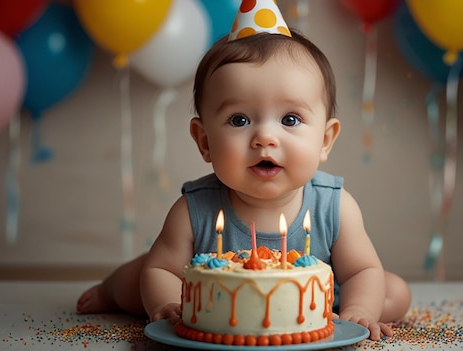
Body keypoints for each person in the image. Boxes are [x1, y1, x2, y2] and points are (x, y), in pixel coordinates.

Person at [77, 3, 411, 341]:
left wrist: (359, 310)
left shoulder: (334, 207)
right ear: (204, 141)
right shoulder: (194, 210)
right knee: (141, 278)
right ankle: (109, 289)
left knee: (394, 292)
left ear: (325, 140)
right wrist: (166, 302)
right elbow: (162, 269)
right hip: (214, 308)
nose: (265, 137)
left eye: (290, 120)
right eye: (240, 120)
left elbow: (362, 270)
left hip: (315, 308)